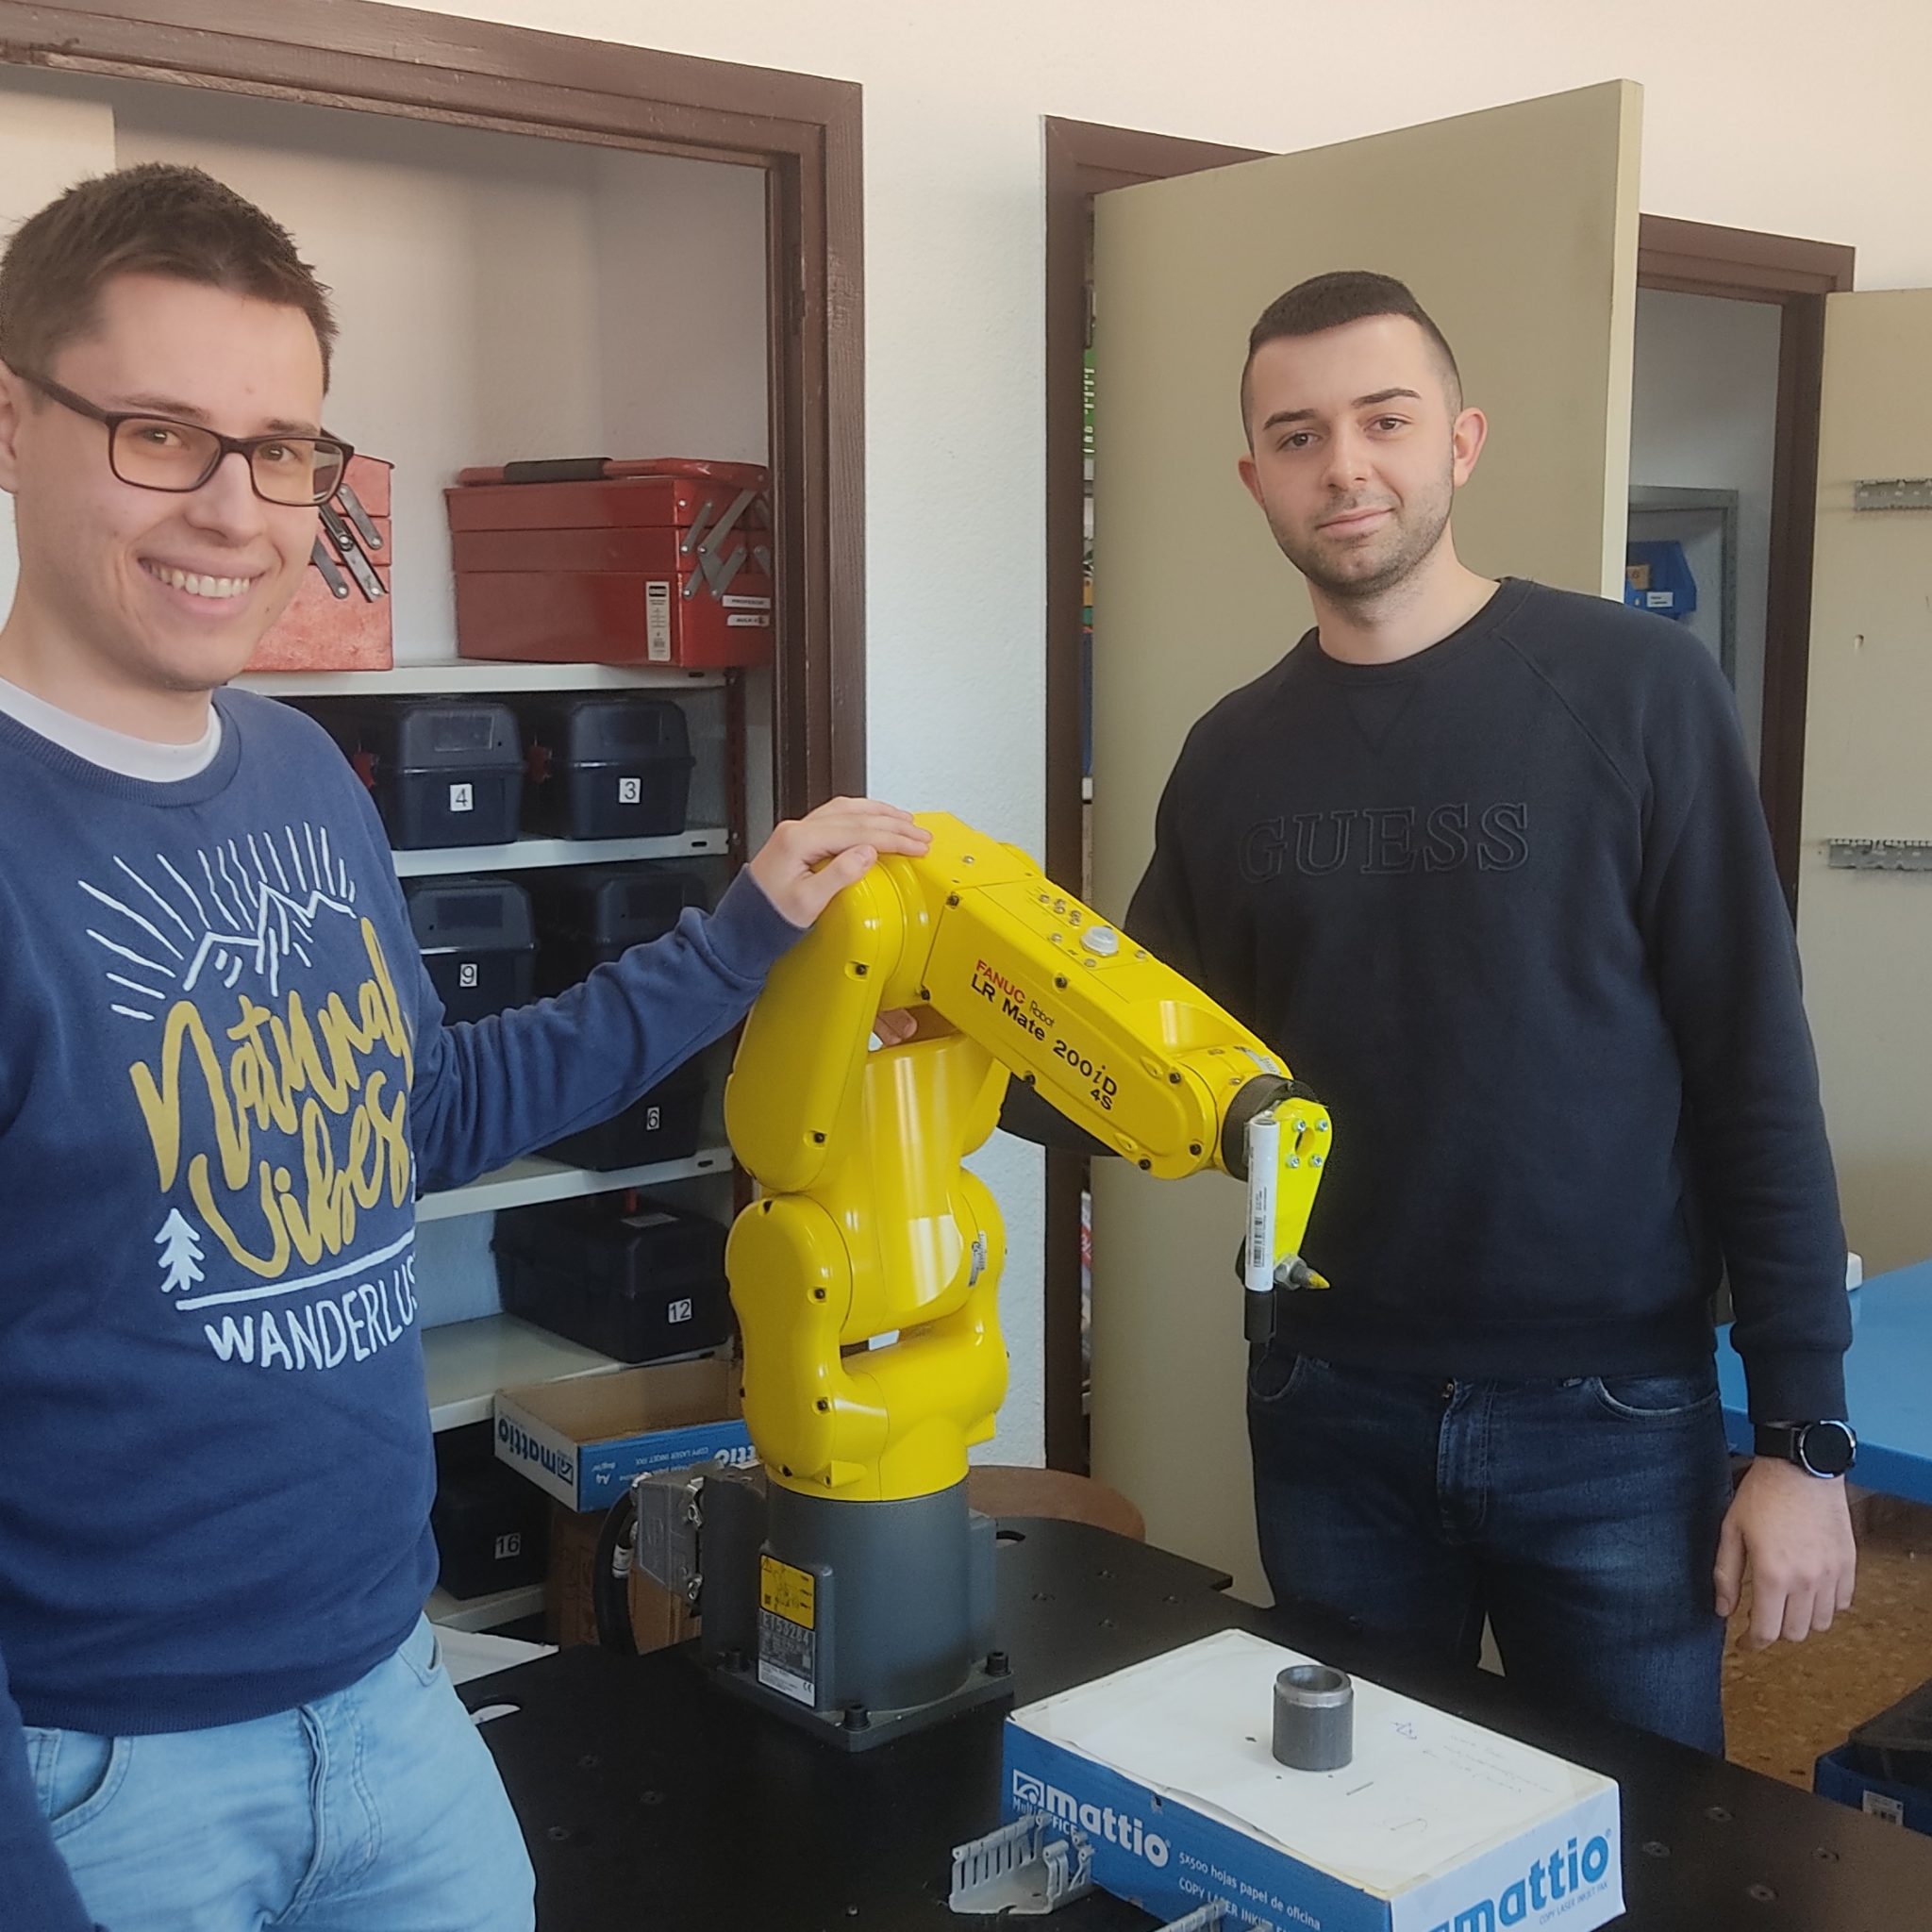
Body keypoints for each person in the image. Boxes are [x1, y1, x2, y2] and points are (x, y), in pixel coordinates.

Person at [0, 160, 929, 1932]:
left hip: (390, 1694)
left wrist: (739, 939)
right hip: (101, 1782)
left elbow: (420, 1114)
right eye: (159, 434)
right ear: (13, 424)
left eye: (283, 449)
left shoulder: (298, 773)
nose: (234, 509)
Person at [1121, 270, 1857, 1754]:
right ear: (1256, 477)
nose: (1346, 465)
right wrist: (940, 1008)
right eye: (1299, 435)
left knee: (1635, 1835)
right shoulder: (1230, 756)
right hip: (1328, 1403)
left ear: (1460, 441)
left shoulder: (1640, 690)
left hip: (1611, 1412)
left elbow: (1755, 1072)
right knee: (1363, 1832)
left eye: (1385, 420)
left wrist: (1801, 1440)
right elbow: (1138, 1058)